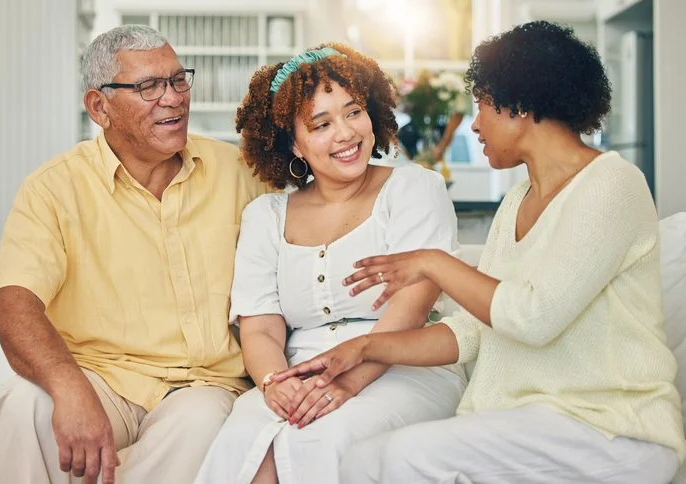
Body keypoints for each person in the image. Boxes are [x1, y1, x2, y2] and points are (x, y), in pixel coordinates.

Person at [275, 21, 685, 484]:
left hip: (612, 431)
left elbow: (534, 317)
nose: (474, 124)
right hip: (533, 425)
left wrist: (432, 262)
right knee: (365, 461)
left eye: (483, 106)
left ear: (521, 105)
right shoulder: (516, 201)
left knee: (395, 459)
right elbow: (469, 333)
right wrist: (363, 347)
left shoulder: (613, 184)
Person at [0, 25, 269, 484]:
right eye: (149, 86)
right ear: (100, 107)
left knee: (202, 425)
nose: (174, 98)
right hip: (100, 379)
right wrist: (69, 388)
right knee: (25, 407)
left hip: (204, 385)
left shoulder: (241, 174)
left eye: (178, 80)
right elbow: (13, 305)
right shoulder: (54, 187)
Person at [193, 43, 466, 484]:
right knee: (247, 451)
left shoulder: (415, 190)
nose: (345, 133)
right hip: (297, 374)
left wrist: (346, 383)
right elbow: (260, 328)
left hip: (401, 369)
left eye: (353, 112)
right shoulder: (265, 217)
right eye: (321, 124)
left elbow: (410, 310)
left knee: (317, 440)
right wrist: (274, 383)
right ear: (293, 145)